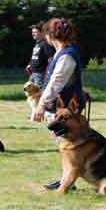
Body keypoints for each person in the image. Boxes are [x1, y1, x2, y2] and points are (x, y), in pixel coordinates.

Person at [32, 18, 85, 190]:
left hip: (66, 109)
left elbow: (56, 82)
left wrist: (41, 104)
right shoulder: (63, 52)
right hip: (64, 106)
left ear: (49, 35)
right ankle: (66, 178)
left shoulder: (66, 55)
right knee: (63, 144)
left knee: (69, 145)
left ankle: (68, 180)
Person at [25, 23, 55, 88]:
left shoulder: (45, 44)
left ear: (42, 33)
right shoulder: (37, 44)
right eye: (32, 32)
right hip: (33, 73)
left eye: (35, 32)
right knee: (31, 92)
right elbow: (35, 57)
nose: (33, 34)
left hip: (40, 74)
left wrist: (49, 71)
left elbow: (51, 58)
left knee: (39, 93)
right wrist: (30, 64)